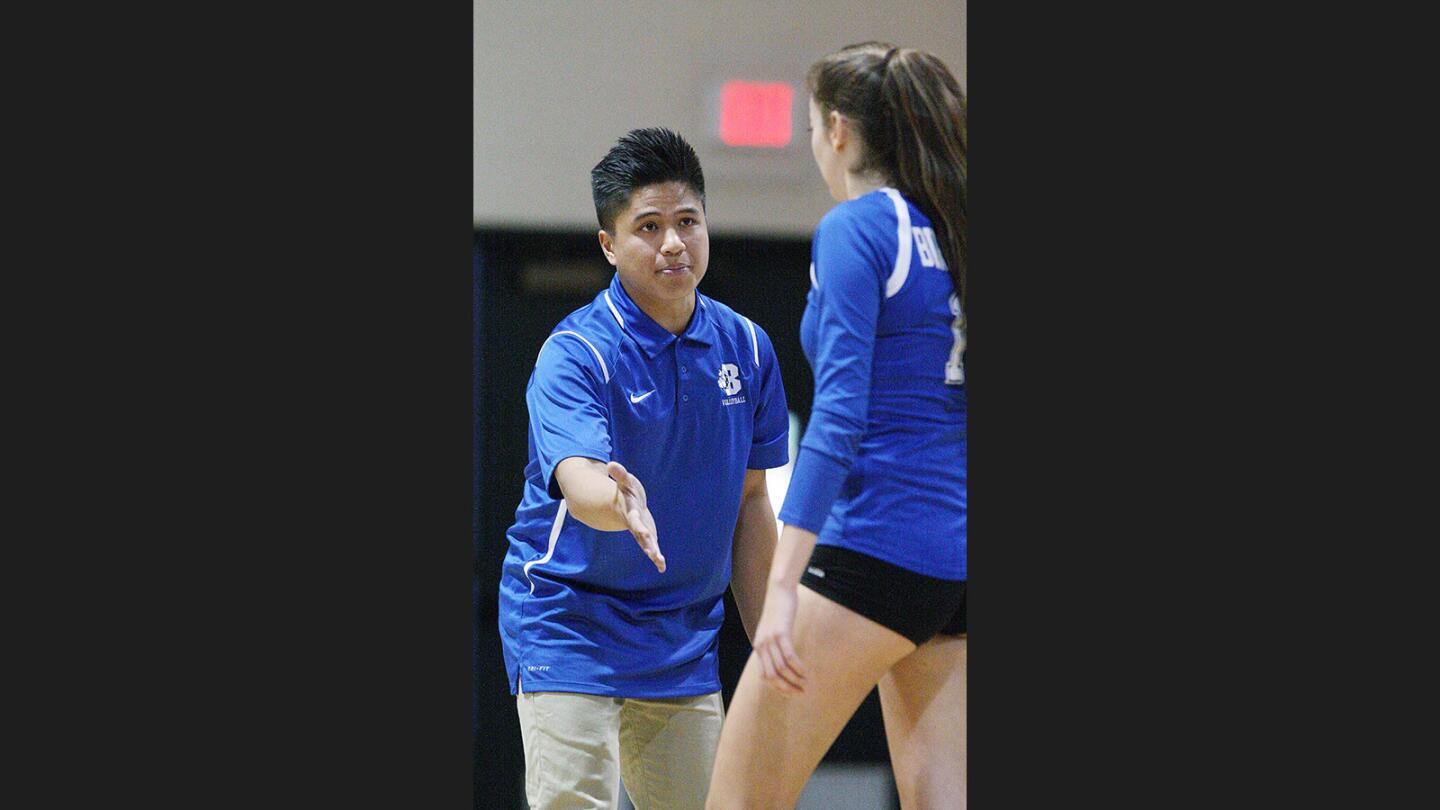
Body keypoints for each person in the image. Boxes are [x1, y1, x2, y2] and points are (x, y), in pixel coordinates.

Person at [706, 43, 968, 809]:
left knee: (738, 801)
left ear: (841, 131)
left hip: (875, 548)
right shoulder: (951, 230)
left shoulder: (859, 227)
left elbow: (839, 416)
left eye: (816, 129)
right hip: (953, 564)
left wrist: (782, 583)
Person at [498, 127, 791, 810]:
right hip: (569, 621)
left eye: (688, 222)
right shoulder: (576, 353)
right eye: (649, 227)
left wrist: (773, 641)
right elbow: (578, 477)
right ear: (608, 244)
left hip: (682, 638)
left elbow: (752, 504)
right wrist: (618, 502)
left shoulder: (747, 348)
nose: (673, 244)